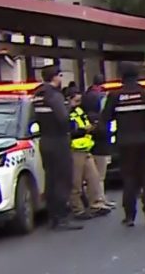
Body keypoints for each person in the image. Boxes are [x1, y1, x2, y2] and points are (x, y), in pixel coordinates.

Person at [100, 62, 145, 227]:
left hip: (125, 142)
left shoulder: (115, 96)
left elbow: (105, 119)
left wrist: (109, 140)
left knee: (129, 178)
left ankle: (129, 216)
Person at [32, 66, 82, 231]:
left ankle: (52, 216)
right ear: (55, 77)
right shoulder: (54, 95)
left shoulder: (37, 95)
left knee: (51, 179)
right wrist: (70, 107)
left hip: (44, 140)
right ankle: (61, 217)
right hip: (58, 141)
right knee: (62, 178)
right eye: (60, 75)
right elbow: (63, 118)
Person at [66, 88, 110, 219]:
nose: (79, 103)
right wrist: (83, 130)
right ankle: (78, 209)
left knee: (94, 178)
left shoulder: (80, 111)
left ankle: (95, 205)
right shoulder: (66, 113)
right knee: (76, 182)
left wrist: (90, 128)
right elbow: (69, 132)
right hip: (75, 150)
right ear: (68, 99)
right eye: (76, 100)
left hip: (86, 149)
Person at [82, 74, 115, 210]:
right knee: (99, 174)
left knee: (94, 175)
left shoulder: (87, 95)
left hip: (89, 144)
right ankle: (99, 199)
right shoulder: (100, 98)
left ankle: (100, 198)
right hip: (101, 144)